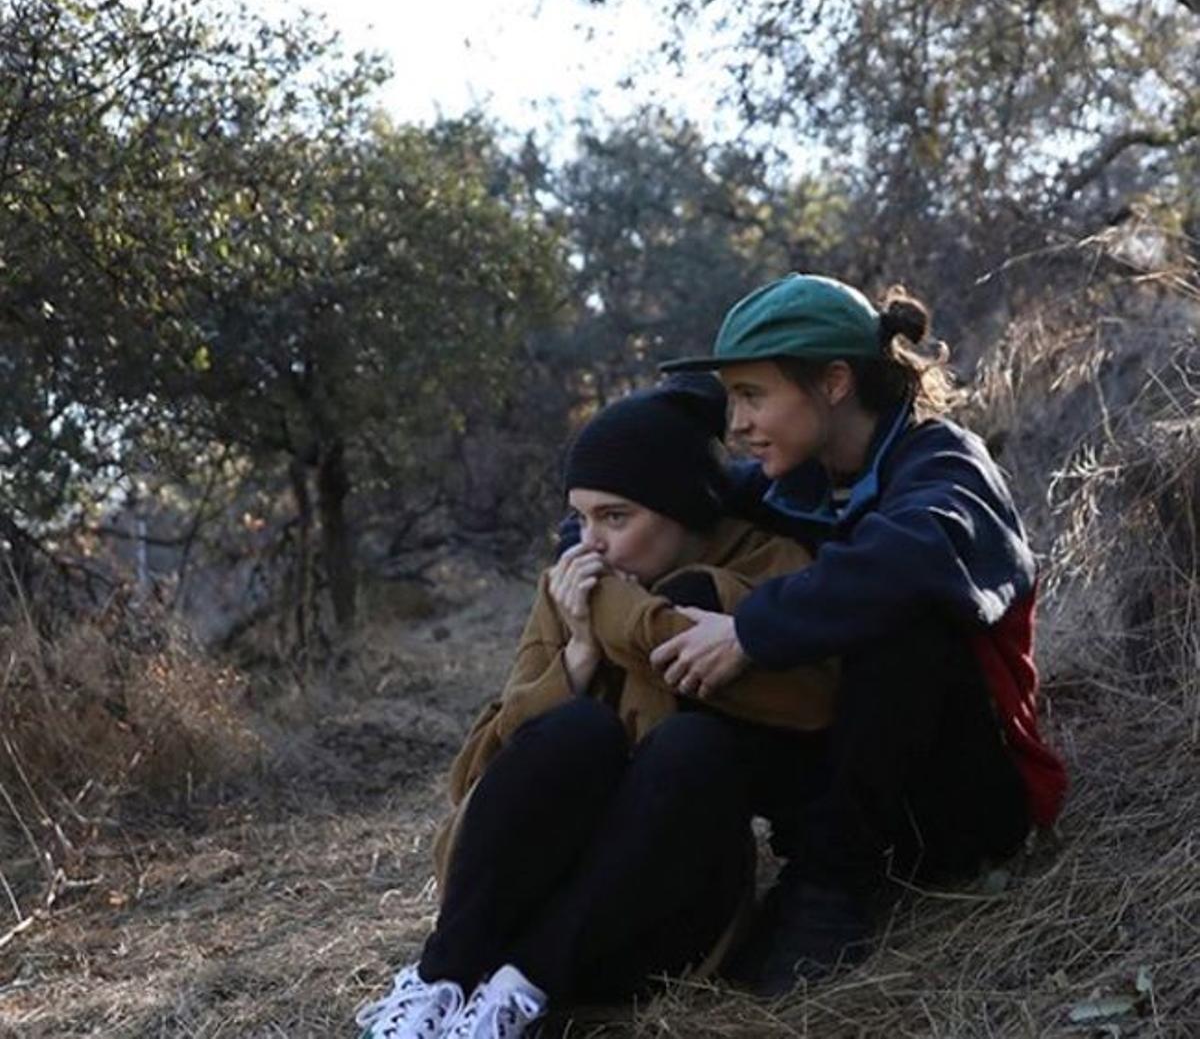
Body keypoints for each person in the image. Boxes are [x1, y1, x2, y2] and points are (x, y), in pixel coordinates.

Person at [354, 375, 838, 1039]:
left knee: (694, 748)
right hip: (508, 911)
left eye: (616, 517)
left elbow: (815, 706)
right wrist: (578, 658)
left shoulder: (769, 568)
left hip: (655, 924)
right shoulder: (572, 587)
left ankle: (514, 1000)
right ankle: (437, 982)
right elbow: (475, 777)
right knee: (577, 729)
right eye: (580, 518)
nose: (591, 544)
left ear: (686, 509)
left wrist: (625, 620)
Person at [650, 273, 1068, 995]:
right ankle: (706, 887)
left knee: (902, 614)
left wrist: (752, 630)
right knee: (690, 595)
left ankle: (828, 887)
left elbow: (914, 556)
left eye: (753, 396)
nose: (737, 423)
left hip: (965, 799)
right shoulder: (795, 479)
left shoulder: (944, 462)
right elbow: (667, 495)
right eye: (731, 400)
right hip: (853, 783)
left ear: (835, 381)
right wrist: (587, 538)